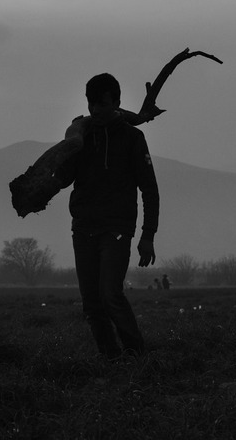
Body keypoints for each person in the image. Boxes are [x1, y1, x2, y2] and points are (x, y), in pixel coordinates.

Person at [54, 72, 159, 360]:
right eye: (91, 104)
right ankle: (112, 360)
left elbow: (149, 190)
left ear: (116, 102)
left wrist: (148, 235)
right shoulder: (82, 137)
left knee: (110, 294)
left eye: (101, 104)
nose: (95, 110)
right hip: (83, 228)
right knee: (92, 304)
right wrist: (62, 157)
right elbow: (64, 179)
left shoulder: (133, 139)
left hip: (117, 229)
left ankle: (136, 357)